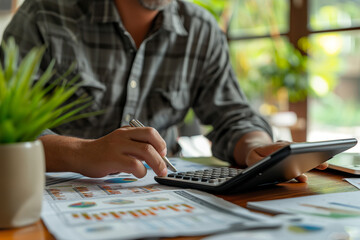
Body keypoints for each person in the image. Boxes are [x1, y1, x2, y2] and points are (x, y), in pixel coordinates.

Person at [1, 0, 327, 181]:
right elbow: (6, 129)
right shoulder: (44, 15)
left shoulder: (201, 31)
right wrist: (81, 152)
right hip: (52, 200)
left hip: (163, 199)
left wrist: (257, 147)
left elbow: (233, 116)